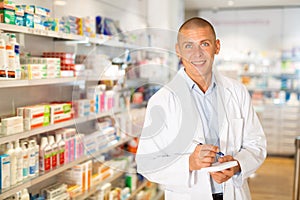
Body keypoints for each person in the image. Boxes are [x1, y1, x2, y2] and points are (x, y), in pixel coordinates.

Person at [135, 17, 267, 200]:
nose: (197, 54)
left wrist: (237, 164)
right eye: (188, 46)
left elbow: (256, 144)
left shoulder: (237, 91)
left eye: (204, 44)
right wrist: (189, 163)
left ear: (217, 46)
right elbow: (147, 163)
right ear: (178, 50)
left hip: (233, 192)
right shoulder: (162, 100)